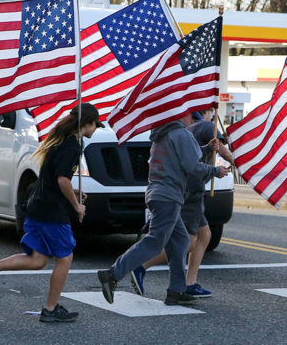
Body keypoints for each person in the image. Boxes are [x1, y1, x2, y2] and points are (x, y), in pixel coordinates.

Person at [0, 103, 101, 323]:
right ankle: (50, 308)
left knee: (37, 260)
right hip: (51, 212)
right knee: (65, 258)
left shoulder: (59, 140)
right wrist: (76, 205)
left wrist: (75, 192)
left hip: (38, 206)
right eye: (95, 124)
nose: (95, 128)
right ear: (88, 123)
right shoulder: (71, 146)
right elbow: (62, 180)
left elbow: (54, 179)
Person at [98, 111, 229, 306]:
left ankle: (176, 290)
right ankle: (113, 274)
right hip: (169, 195)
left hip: (159, 193)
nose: (192, 118)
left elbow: (182, 155)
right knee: (156, 240)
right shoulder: (181, 134)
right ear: (181, 115)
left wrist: (205, 148)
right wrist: (215, 171)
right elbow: (192, 167)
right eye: (189, 114)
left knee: (181, 240)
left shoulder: (164, 134)